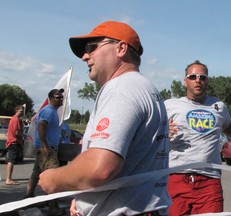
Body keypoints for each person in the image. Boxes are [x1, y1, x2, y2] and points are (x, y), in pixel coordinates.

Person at [39, 20, 171, 216]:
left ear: (121, 48)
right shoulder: (142, 87)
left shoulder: (121, 88)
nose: (85, 56)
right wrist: (83, 198)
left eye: (92, 48)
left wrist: (53, 179)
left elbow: (99, 167)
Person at [165, 60, 231, 215]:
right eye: (193, 76)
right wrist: (162, 130)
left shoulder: (218, 106)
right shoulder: (170, 105)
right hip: (176, 177)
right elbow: (148, 130)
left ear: (207, 80)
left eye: (202, 77)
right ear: (185, 81)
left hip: (209, 181)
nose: (198, 80)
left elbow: (229, 125)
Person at [25, 88, 66, 216]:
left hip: (45, 148)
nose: (61, 99)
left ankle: (28, 197)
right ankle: (53, 207)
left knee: (36, 174)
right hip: (46, 149)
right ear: (51, 98)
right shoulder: (49, 111)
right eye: (58, 97)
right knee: (53, 177)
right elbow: (42, 125)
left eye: (61, 97)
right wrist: (45, 146)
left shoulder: (52, 111)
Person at [5, 105, 24, 185]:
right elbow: (16, 132)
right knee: (11, 161)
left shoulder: (13, 119)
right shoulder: (15, 119)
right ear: (16, 110)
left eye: (22, 111)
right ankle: (8, 179)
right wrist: (22, 135)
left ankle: (8, 178)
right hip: (14, 142)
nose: (22, 113)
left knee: (10, 160)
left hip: (11, 141)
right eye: (21, 111)